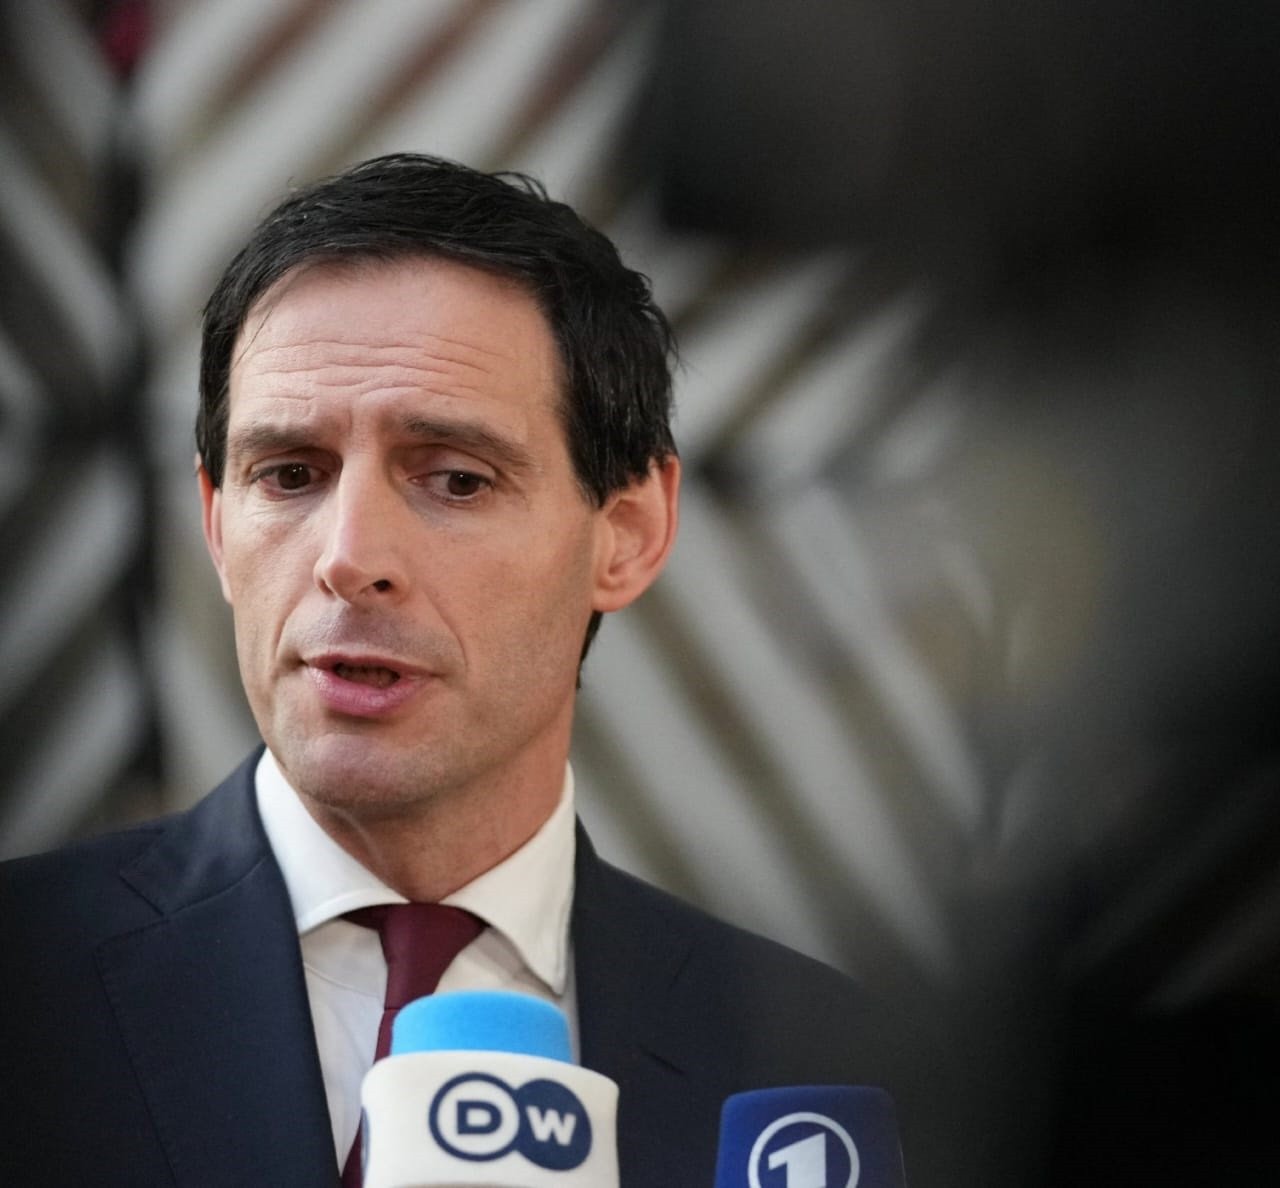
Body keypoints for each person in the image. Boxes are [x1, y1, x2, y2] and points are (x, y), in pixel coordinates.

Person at [0, 154, 899, 1186]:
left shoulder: (820, 1069)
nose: (349, 557)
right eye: (288, 475)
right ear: (214, 523)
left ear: (628, 532)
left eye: (456, 480)